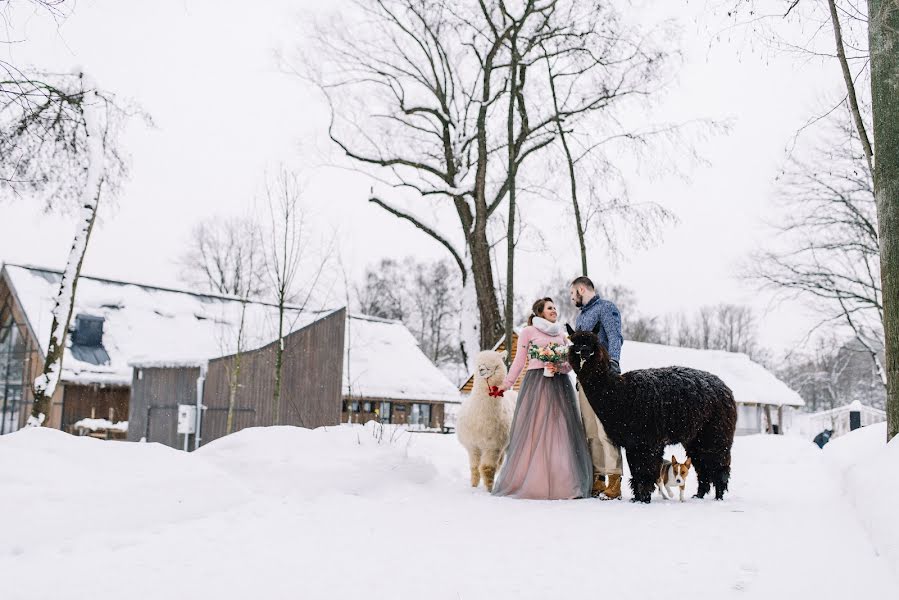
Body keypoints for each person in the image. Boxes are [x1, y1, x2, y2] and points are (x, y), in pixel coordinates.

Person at [492, 297, 592, 500]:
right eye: (549, 308)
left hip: (560, 386)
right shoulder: (528, 332)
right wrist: (507, 384)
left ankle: (563, 482)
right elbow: (520, 361)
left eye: (555, 307)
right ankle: (533, 481)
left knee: (561, 430)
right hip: (536, 384)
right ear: (539, 312)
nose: (554, 310)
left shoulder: (562, 336)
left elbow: (569, 364)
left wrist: (560, 367)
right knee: (536, 430)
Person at [569, 276, 625, 500]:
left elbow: (614, 337)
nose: (572, 298)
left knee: (606, 430)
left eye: (573, 294)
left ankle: (614, 479)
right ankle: (598, 477)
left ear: (582, 289)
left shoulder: (607, 308)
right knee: (590, 431)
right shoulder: (580, 316)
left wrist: (614, 365)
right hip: (584, 381)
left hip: (604, 379)